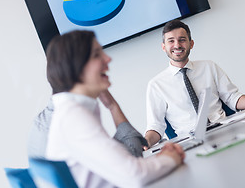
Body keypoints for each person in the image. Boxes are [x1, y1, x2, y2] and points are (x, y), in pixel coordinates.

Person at [45, 30, 185, 188]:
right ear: (76, 66)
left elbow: (124, 165)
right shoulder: (73, 116)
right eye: (97, 55)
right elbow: (134, 175)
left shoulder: (72, 110)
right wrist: (171, 158)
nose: (108, 58)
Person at [144, 19, 245, 148]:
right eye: (171, 41)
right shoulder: (156, 85)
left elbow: (233, 99)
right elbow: (156, 126)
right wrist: (145, 143)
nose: (177, 45)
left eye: (182, 40)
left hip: (225, 131)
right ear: (163, 47)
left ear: (191, 43)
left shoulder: (209, 67)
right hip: (191, 143)